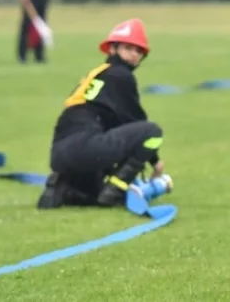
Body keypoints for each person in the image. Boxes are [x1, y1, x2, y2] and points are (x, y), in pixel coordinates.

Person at [37, 18, 166, 210]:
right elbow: (135, 121)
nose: (134, 55)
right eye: (128, 48)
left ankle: (63, 186)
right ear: (113, 49)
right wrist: (154, 160)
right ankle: (115, 191)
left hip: (60, 154)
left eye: (139, 51)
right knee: (152, 132)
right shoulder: (122, 76)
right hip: (87, 147)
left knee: (92, 193)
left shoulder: (99, 73)